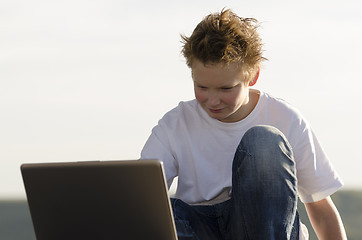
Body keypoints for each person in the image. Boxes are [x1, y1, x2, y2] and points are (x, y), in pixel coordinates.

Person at [141, 9, 347, 240]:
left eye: (226, 88)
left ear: (252, 77)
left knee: (265, 141)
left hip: (262, 229)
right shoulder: (174, 124)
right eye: (202, 87)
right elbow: (142, 198)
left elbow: (321, 210)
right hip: (200, 230)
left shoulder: (286, 118)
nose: (213, 100)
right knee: (145, 210)